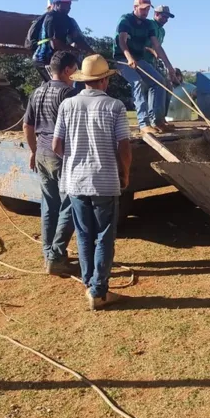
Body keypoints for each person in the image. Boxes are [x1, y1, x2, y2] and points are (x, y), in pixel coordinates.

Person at [52, 54, 132, 310]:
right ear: (105, 81)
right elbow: (124, 146)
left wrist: (76, 159)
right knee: (105, 236)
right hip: (104, 181)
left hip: (76, 182)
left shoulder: (67, 105)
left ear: (84, 81)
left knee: (84, 235)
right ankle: (99, 290)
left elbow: (56, 145)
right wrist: (125, 172)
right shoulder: (115, 106)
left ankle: (91, 284)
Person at [23, 51, 79, 275]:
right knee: (72, 204)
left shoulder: (37, 92)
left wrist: (33, 151)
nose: (76, 73)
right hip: (61, 155)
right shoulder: (68, 93)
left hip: (42, 153)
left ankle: (48, 253)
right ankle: (56, 255)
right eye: (75, 69)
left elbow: (27, 127)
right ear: (67, 70)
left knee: (49, 205)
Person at [113, 0, 180, 135]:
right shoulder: (125, 20)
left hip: (140, 59)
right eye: (143, 9)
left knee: (159, 82)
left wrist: (169, 67)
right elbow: (122, 41)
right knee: (137, 82)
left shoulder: (148, 24)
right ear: (135, 7)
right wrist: (129, 58)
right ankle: (143, 124)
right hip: (122, 59)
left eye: (147, 9)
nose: (145, 12)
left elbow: (157, 46)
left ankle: (157, 121)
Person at [34, 0, 95, 81]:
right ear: (56, 3)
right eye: (66, 3)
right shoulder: (51, 18)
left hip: (56, 60)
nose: (69, 6)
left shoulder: (68, 20)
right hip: (44, 59)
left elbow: (78, 39)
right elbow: (55, 44)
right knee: (57, 84)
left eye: (70, 3)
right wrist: (73, 50)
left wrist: (93, 53)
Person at [145, 4, 175, 116]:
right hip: (143, 61)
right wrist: (151, 50)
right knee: (156, 86)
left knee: (168, 87)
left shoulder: (162, 31)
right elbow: (138, 44)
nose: (166, 20)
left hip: (154, 63)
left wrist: (168, 65)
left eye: (167, 18)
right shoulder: (148, 24)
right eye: (164, 16)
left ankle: (161, 117)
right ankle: (153, 118)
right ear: (156, 14)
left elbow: (158, 48)